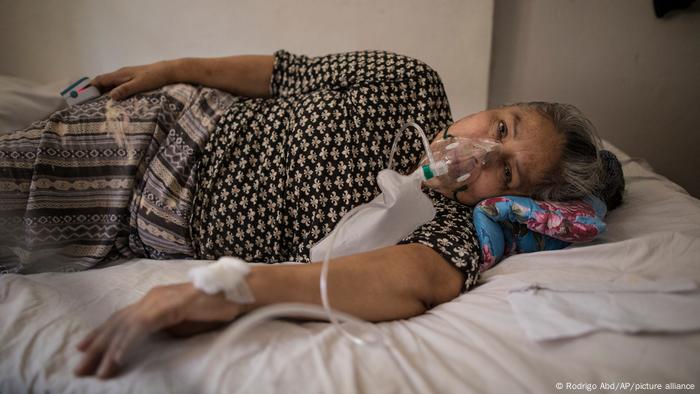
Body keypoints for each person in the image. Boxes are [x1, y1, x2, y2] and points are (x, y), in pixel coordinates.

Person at [0, 50, 603, 378]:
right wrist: (174, 69)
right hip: (164, 126)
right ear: (496, 106)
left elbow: (407, 280)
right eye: (501, 127)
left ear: (511, 200)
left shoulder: (448, 231)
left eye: (507, 168)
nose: (482, 150)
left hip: (133, 219)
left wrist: (234, 290)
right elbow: (281, 74)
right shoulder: (410, 85)